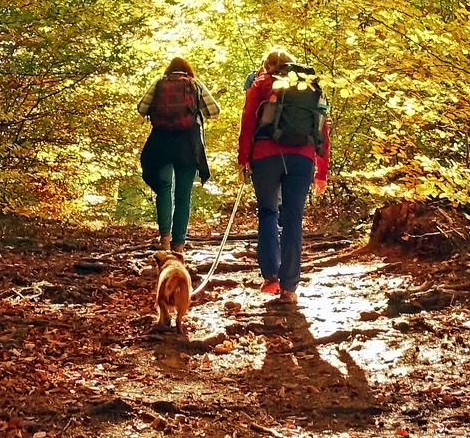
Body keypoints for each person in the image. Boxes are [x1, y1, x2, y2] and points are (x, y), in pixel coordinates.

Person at [238, 48, 329, 302]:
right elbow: (322, 127)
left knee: (268, 212)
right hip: (302, 157)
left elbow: (247, 121)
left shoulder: (261, 84)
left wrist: (243, 158)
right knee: (293, 218)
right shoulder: (309, 87)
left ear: (266, 66)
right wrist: (321, 169)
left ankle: (271, 279)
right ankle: (289, 287)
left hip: (265, 156)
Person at [138, 57, 220, 252]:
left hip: (162, 142)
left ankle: (164, 237)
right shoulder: (195, 84)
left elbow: (141, 108)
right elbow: (214, 111)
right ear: (188, 70)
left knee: (165, 187)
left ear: (169, 70)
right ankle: (179, 245)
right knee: (184, 194)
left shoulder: (159, 83)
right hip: (188, 143)